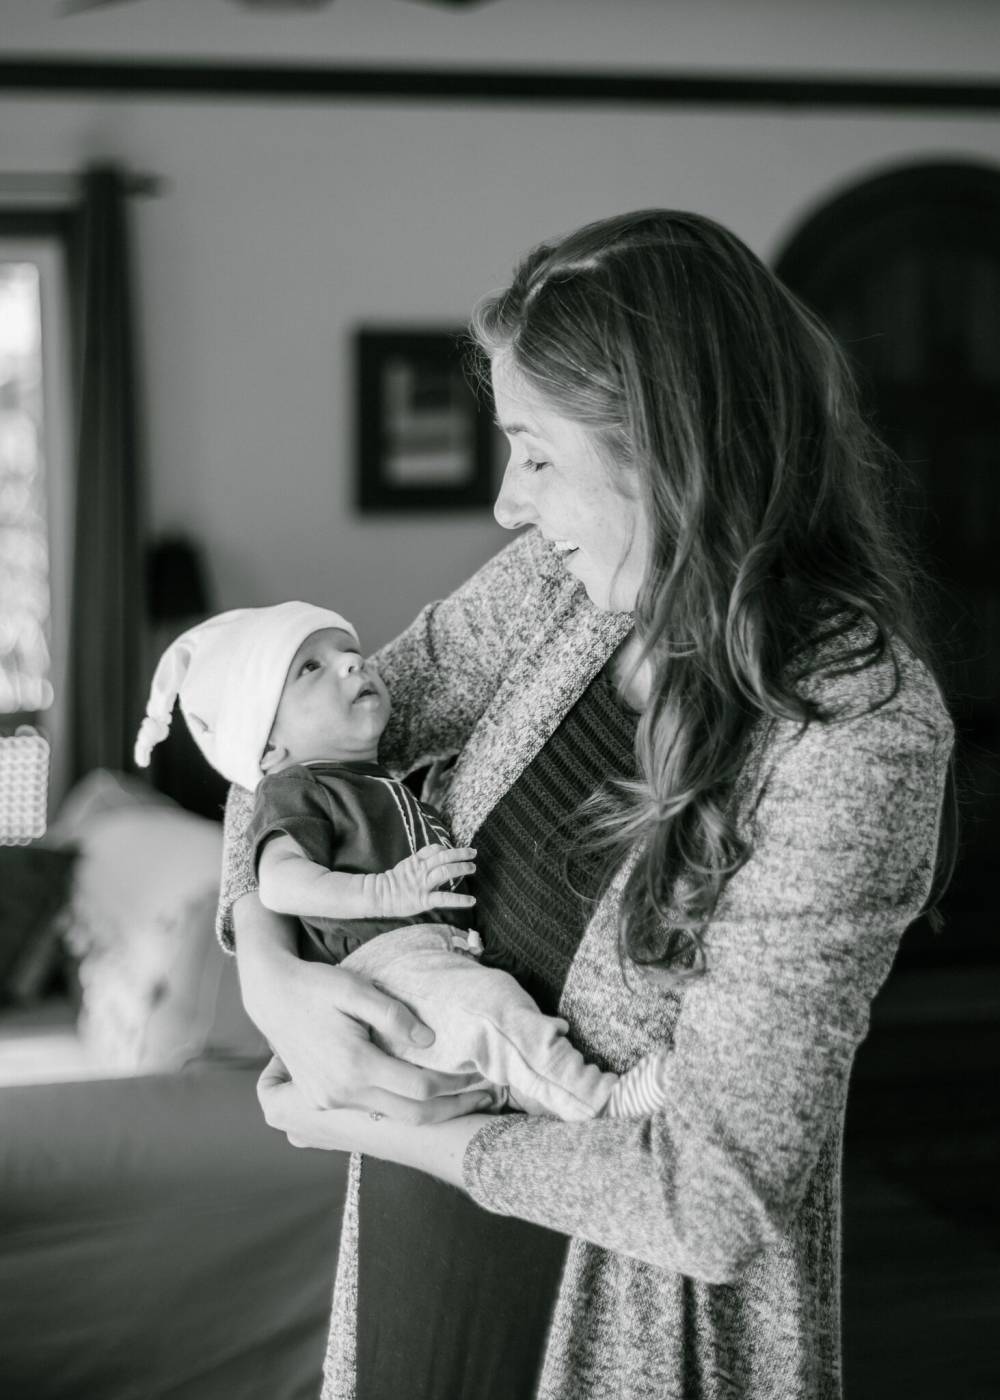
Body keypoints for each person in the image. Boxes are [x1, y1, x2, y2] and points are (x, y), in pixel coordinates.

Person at [217, 209, 956, 1400]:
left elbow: (711, 1197)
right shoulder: (569, 592)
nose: (508, 503)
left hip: (620, 1323)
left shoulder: (857, 727)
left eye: (538, 452)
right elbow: (286, 752)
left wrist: (378, 1125)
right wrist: (268, 967)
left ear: (671, 449)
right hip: (421, 1260)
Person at [134, 601, 661, 1121]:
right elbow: (277, 882)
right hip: (383, 971)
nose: (353, 663)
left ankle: (540, 1094)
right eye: (310, 668)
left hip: (430, 960)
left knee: (493, 1028)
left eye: (350, 650)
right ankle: (603, 1104)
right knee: (490, 1013)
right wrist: (379, 893)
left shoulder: (382, 785)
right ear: (267, 750)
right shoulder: (293, 789)